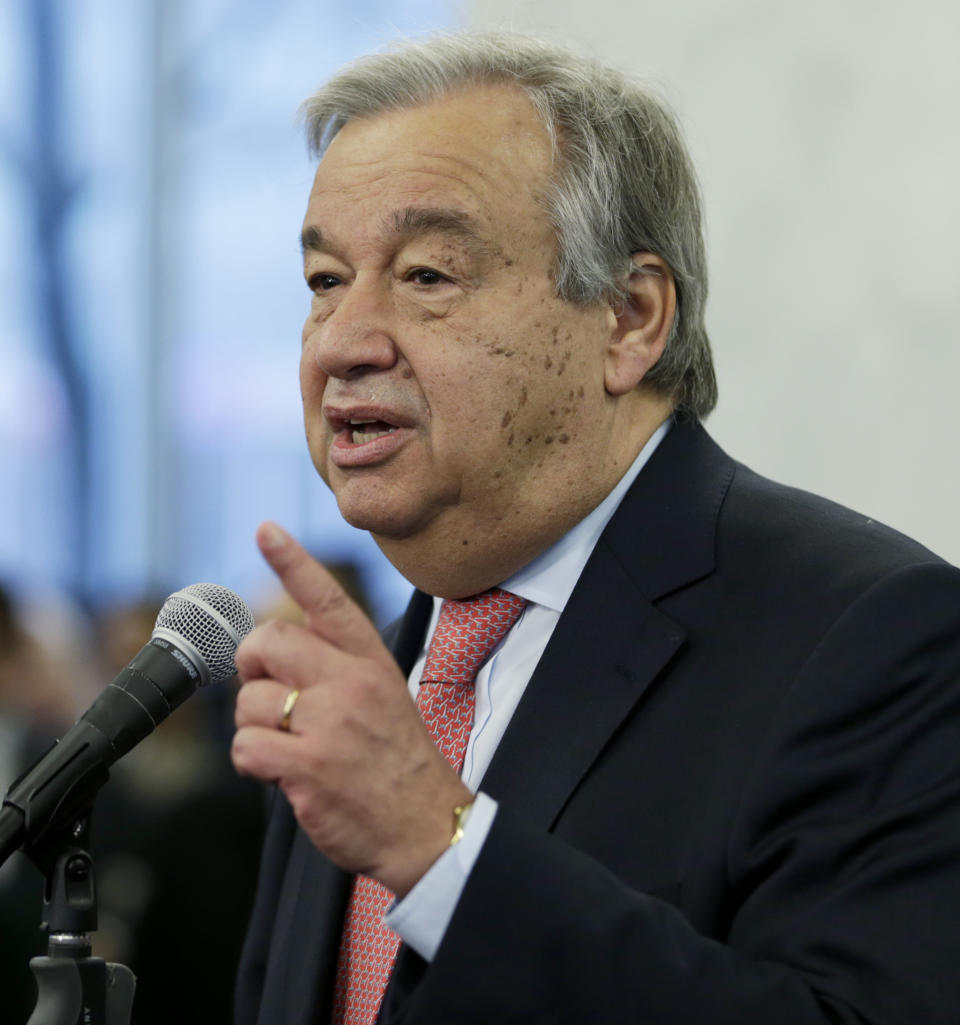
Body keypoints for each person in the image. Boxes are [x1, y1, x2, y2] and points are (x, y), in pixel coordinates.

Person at [231, 32, 960, 1025]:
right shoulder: (368, 681)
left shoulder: (878, 639)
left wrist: (443, 851)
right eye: (324, 281)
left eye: (428, 275)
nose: (346, 343)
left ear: (629, 318)